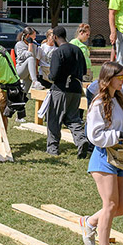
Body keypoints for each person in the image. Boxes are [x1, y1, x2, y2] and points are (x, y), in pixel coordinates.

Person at [78, 61, 123, 245]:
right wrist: (119, 135)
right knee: (111, 204)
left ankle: (89, 222)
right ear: (108, 79)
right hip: (103, 157)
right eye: (120, 77)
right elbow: (95, 136)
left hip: (121, 157)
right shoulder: (98, 103)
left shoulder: (120, 101)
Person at [41, 25, 92, 158]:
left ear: (55, 37)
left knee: (54, 119)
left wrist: (48, 77)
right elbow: (84, 70)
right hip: (76, 89)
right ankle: (81, 140)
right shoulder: (77, 50)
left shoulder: (58, 52)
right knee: (73, 118)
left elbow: (54, 74)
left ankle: (52, 148)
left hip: (60, 89)